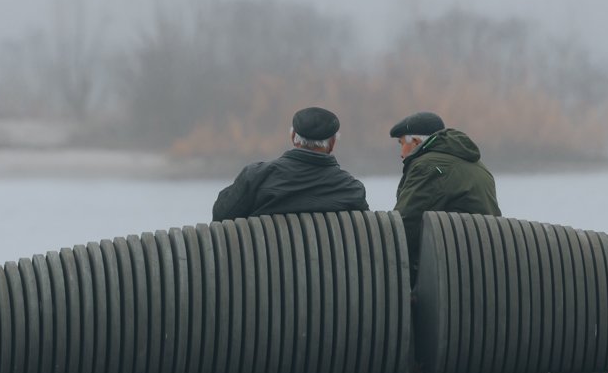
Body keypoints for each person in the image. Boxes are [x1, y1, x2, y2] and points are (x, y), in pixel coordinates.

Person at [212, 106, 370, 221]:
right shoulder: (351, 190)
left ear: (293, 137)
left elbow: (220, 216)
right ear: (332, 143)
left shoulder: (256, 177)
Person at [391, 111, 501, 274]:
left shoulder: (428, 166)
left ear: (414, 141)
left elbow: (406, 224)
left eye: (401, 143)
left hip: (456, 271)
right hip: (492, 263)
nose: (401, 153)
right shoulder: (479, 166)